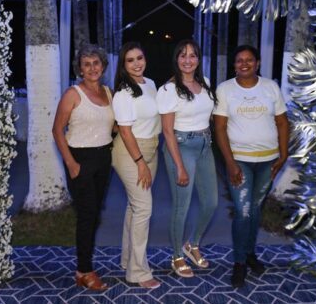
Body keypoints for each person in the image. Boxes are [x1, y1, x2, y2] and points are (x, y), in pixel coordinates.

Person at [213, 45, 289, 288]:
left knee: (255, 210)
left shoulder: (270, 87)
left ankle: (249, 253)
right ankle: (239, 262)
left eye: (249, 60)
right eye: (239, 60)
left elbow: (282, 122)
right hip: (239, 160)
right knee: (243, 211)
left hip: (268, 161)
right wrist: (230, 162)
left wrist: (283, 154)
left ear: (257, 63)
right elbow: (220, 128)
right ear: (234, 65)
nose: (244, 64)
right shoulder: (225, 89)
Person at [52, 45, 114, 291]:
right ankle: (84, 270)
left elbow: (112, 126)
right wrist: (71, 163)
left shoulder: (108, 93)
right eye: (86, 64)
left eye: (96, 63)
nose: (92, 68)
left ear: (103, 65)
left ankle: (83, 266)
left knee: (94, 214)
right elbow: (57, 130)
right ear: (79, 69)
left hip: (103, 158)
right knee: (87, 216)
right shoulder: (72, 94)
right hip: (80, 160)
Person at [157, 39, 218, 278]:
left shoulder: (206, 83)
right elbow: (167, 131)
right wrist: (179, 166)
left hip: (205, 146)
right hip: (181, 147)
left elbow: (209, 116)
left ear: (199, 59)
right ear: (176, 59)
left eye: (192, 55)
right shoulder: (168, 90)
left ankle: (192, 244)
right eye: (182, 55)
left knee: (211, 202)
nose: (188, 60)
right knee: (181, 206)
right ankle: (176, 256)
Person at [111, 42, 162, 289]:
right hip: (131, 152)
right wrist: (140, 162)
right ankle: (138, 272)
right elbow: (125, 131)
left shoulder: (150, 84)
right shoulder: (123, 93)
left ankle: (127, 260)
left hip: (152, 147)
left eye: (139, 58)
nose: (136, 64)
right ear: (123, 65)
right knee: (143, 209)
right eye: (130, 60)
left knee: (134, 208)